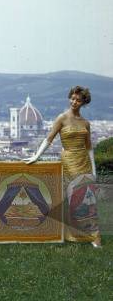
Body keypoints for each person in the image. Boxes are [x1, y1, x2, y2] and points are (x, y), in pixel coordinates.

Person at [25, 86, 102, 248]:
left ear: (83, 102)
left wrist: (94, 171)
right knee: (76, 197)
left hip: (84, 162)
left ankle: (94, 235)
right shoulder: (62, 118)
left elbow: (89, 148)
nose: (74, 102)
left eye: (78, 100)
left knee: (88, 198)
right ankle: (75, 234)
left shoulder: (86, 123)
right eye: (72, 98)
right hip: (69, 160)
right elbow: (49, 139)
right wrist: (36, 156)